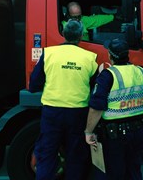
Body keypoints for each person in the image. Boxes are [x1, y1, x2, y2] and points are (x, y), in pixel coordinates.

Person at [29, 19, 98, 180]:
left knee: (47, 154)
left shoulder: (48, 53)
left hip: (52, 113)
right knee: (76, 156)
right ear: (81, 36)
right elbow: (96, 89)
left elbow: (33, 85)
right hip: (78, 114)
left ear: (64, 34)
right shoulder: (90, 58)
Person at [84, 38, 143, 180]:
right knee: (134, 170)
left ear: (110, 56)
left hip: (116, 136)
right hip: (140, 132)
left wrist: (88, 132)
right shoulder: (141, 71)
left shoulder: (107, 75)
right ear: (127, 54)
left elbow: (96, 108)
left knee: (115, 173)